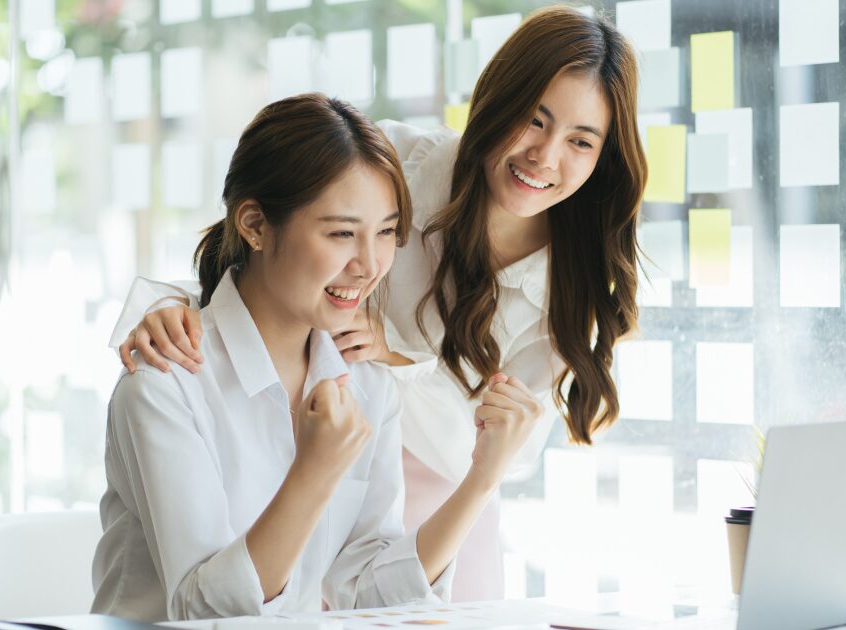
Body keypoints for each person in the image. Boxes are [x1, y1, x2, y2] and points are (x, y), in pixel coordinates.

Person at [105, 5, 646, 601]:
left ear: (603, 159)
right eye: (534, 120)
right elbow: (263, 237)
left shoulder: (558, 291)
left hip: (433, 485)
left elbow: (376, 576)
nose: (545, 156)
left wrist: (403, 382)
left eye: (580, 141)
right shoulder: (393, 163)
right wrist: (168, 312)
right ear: (499, 98)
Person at [91, 93, 545, 622]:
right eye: (341, 234)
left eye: (385, 232)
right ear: (255, 226)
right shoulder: (166, 382)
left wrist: (483, 477)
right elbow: (202, 612)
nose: (371, 264)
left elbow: (370, 595)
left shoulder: (366, 382)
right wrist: (314, 471)